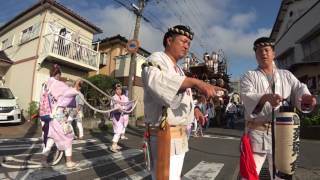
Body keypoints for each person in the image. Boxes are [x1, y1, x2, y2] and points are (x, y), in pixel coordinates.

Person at [141, 25, 222, 180]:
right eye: (184, 41)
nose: (187, 46)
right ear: (169, 40)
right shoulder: (155, 59)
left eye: (189, 44)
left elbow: (184, 97)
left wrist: (195, 110)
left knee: (174, 176)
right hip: (164, 134)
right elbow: (158, 84)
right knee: (165, 177)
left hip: (179, 134)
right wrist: (195, 82)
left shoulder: (179, 70)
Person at [240, 37, 317, 179]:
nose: (263, 54)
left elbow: (299, 90)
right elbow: (247, 95)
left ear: (273, 54)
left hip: (283, 133)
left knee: (282, 174)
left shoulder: (286, 75)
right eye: (259, 51)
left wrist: (307, 98)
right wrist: (266, 97)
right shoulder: (249, 76)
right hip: (258, 133)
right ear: (255, 55)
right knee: (249, 174)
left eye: (266, 50)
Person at [41, 64, 79, 169]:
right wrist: (76, 87)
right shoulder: (57, 84)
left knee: (51, 138)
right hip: (57, 115)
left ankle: (43, 160)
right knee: (68, 135)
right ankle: (69, 162)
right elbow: (68, 92)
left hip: (47, 116)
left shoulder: (45, 84)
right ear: (58, 74)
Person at [109, 83, 130, 153]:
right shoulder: (114, 97)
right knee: (118, 131)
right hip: (116, 115)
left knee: (120, 130)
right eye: (117, 89)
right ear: (115, 90)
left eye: (120, 89)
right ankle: (113, 145)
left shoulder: (124, 97)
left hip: (122, 116)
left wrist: (126, 106)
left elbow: (127, 105)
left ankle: (116, 144)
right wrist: (122, 107)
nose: (119, 91)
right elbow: (115, 107)